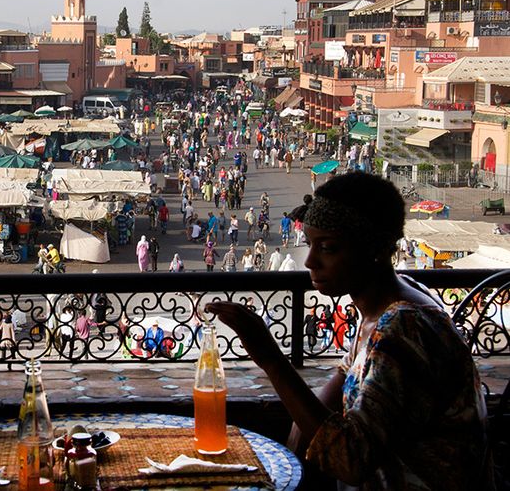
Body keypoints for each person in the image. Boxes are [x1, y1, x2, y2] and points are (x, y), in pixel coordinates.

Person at [206, 172, 494, 490]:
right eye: (310, 244)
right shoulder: (391, 303)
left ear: (374, 249)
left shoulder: (403, 329)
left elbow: (350, 460)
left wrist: (271, 359)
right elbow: (339, 384)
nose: (310, 261)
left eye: (328, 248)